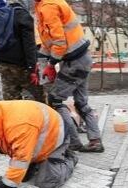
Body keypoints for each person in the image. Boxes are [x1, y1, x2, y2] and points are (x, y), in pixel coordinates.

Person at [35, 0, 104, 153]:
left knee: (55, 100)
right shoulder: (48, 4)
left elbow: (59, 42)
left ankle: (73, 142)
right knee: (81, 103)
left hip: (75, 62)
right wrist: (40, 60)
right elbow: (49, 42)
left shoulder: (48, 7)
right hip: (81, 58)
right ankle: (95, 141)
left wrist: (51, 65)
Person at [0, 0, 43, 101]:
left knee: (11, 97)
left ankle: (13, 115)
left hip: (2, 63)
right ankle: (41, 115)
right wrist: (32, 68)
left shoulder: (0, 14)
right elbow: (29, 45)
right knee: (37, 94)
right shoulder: (23, 16)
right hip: (20, 65)